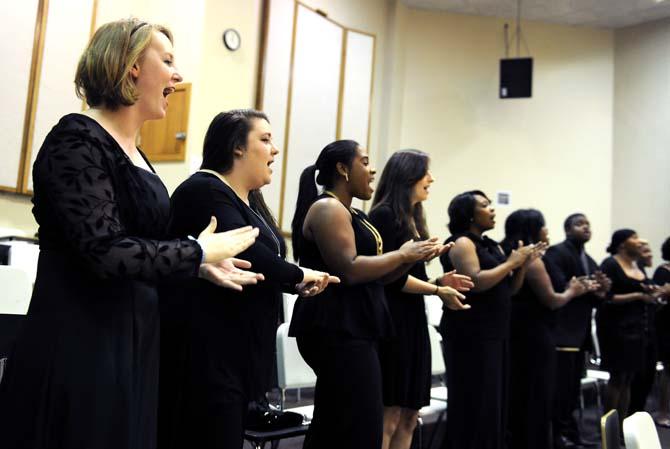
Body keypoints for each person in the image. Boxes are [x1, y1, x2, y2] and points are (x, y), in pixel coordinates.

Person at [0, 19, 260, 449]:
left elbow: (143, 242)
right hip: (82, 343)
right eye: (168, 61)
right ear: (132, 66)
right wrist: (195, 253)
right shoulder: (76, 139)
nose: (178, 76)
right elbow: (104, 251)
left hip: (135, 340)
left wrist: (199, 266)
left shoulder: (138, 154)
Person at [159, 109, 339, 449]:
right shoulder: (204, 190)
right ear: (236, 147)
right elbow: (248, 252)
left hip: (240, 355)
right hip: (208, 353)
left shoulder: (246, 200)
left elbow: (262, 264)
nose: (275, 150)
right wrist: (300, 273)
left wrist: (292, 283)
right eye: (265, 139)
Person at [289, 140, 449, 449]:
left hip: (355, 325)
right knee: (349, 423)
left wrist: (413, 257)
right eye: (364, 161)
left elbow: (380, 277)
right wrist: (402, 256)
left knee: (349, 420)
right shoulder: (327, 208)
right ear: (342, 169)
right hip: (335, 324)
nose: (373, 168)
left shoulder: (353, 213)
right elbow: (348, 269)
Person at [368, 150, 473, 449]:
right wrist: (438, 290)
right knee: (390, 414)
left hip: (413, 321)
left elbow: (409, 277)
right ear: (408, 176)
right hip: (392, 322)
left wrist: (438, 281)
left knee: (410, 415)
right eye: (426, 172)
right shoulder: (385, 215)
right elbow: (390, 279)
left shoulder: (413, 218)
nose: (432, 179)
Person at [439, 191, 544, 449]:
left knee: (494, 403)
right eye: (485, 206)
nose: (493, 210)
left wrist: (521, 266)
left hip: (495, 332)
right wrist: (511, 263)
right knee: (475, 402)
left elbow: (509, 290)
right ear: (469, 214)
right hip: (470, 333)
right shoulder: (462, 243)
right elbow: (475, 281)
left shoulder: (491, 244)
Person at [501, 209, 596, 449]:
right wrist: (573, 291)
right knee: (536, 395)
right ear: (533, 229)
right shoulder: (532, 260)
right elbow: (552, 300)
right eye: (543, 225)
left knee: (526, 393)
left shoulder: (515, 254)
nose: (546, 230)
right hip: (535, 334)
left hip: (522, 332)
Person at [543, 213, 611, 449]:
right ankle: (558, 436)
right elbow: (559, 288)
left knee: (571, 390)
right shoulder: (557, 253)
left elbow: (594, 298)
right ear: (568, 229)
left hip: (578, 334)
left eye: (588, 224)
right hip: (561, 332)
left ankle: (571, 433)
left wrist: (601, 290)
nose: (586, 228)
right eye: (580, 224)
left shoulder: (589, 259)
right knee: (560, 390)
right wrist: (586, 287)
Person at [597, 229, 662, 428]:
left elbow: (644, 289)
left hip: (637, 328)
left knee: (628, 379)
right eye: (634, 238)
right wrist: (636, 296)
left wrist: (651, 292)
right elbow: (606, 297)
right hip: (616, 328)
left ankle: (623, 426)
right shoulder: (611, 264)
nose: (639, 241)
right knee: (617, 378)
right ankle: (608, 428)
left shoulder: (636, 265)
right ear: (622, 244)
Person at [629, 241, 660, 414]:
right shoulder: (632, 275)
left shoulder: (643, 274)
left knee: (646, 378)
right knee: (636, 380)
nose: (650, 254)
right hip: (635, 334)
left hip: (648, 333)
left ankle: (637, 414)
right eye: (645, 251)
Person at [653, 237, 670, 427]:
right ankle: (663, 412)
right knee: (669, 370)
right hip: (666, 326)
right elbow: (659, 296)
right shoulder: (662, 271)